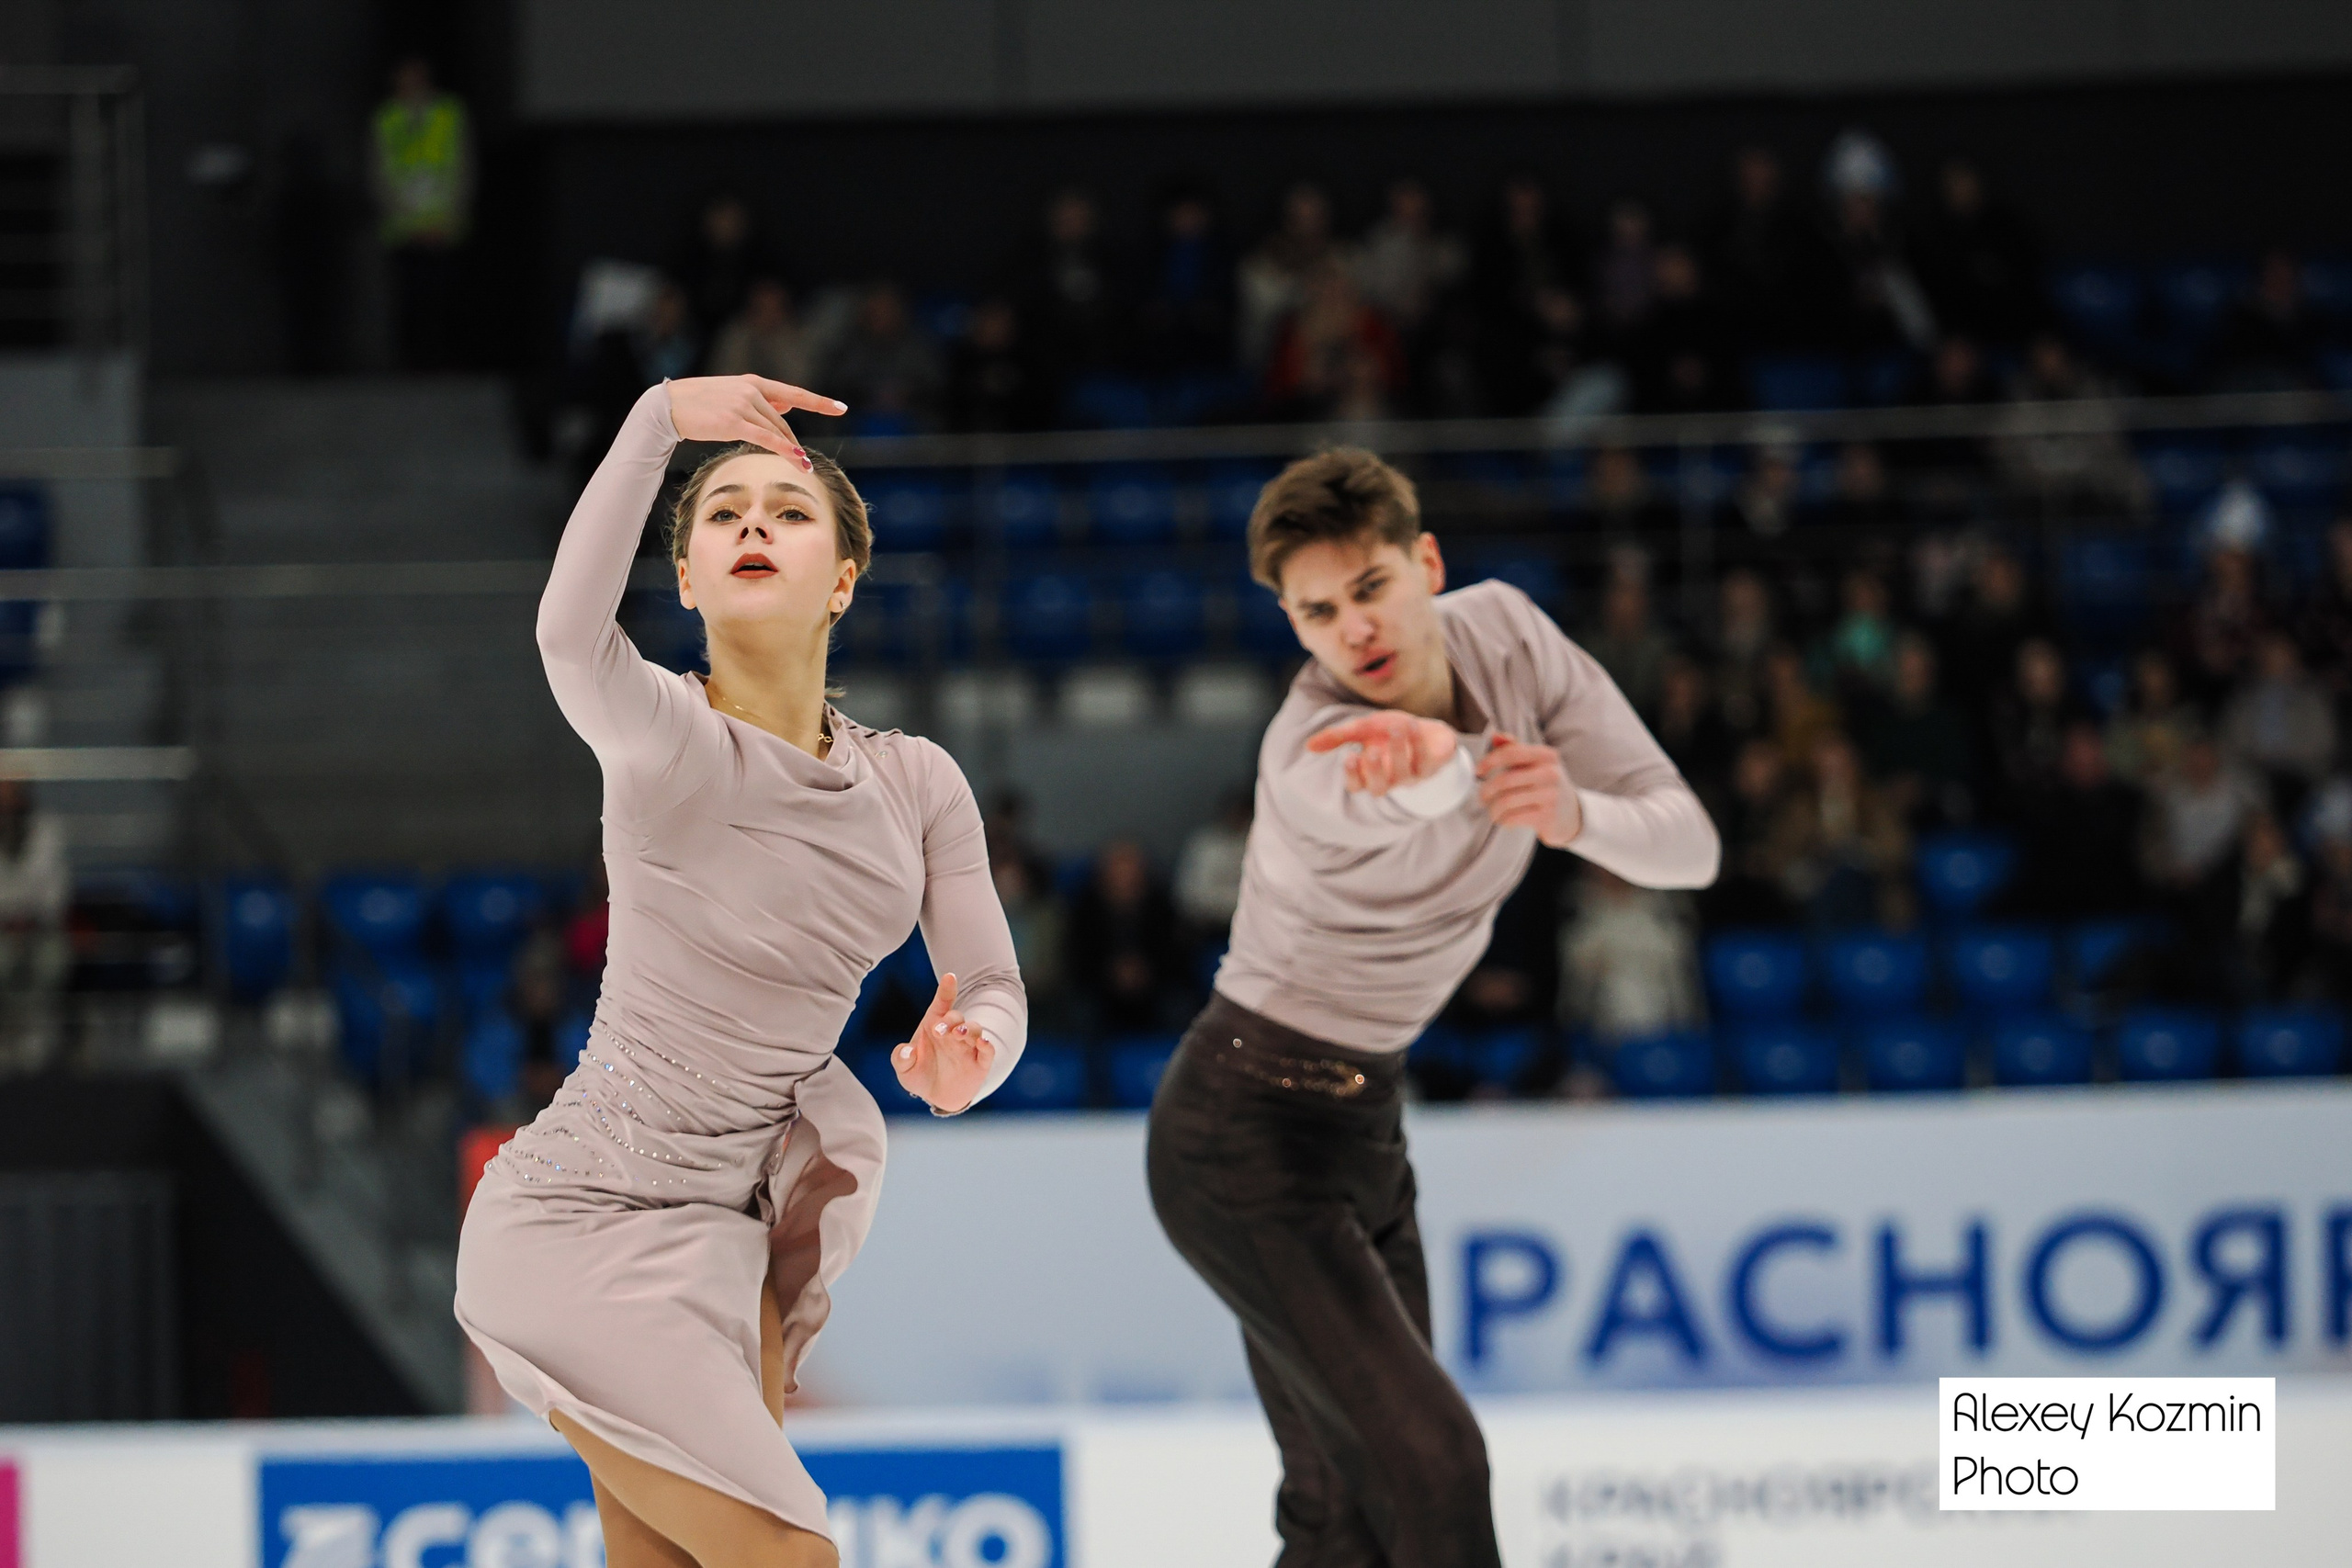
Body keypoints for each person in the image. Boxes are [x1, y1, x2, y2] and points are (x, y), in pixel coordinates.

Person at [455, 374, 1027, 1568]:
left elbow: (992, 986)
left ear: (845, 577)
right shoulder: (662, 734)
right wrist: (657, 417)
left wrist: (972, 1052)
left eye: (789, 508)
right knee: (789, 1555)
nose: (755, 524)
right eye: (724, 513)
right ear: (686, 578)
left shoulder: (918, 783)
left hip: (743, 1233)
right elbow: (567, 632)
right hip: (582, 1217)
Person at [1146, 449, 1716, 1568]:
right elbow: (1394, 791)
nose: (1351, 630)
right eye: (1316, 612)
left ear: (1427, 563)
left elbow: (1685, 843)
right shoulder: (1310, 751)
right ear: (1292, 625)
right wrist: (1455, 769)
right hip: (1239, 1136)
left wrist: (1572, 812)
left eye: (1369, 590)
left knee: (1341, 1517)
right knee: (1433, 1468)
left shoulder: (1507, 630)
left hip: (1365, 1129)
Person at [370, 56, 473, 371]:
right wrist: (407, 219)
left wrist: (447, 218)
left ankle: (445, 364)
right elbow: (379, 174)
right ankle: (411, 367)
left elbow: (463, 168)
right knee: (409, 302)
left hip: (444, 227)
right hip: (404, 230)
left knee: (444, 300)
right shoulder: (387, 118)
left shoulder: (449, 113)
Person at [707, 277, 815, 388]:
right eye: (762, 309)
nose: (768, 316)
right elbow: (724, 378)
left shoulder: (794, 336)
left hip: (784, 401)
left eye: (774, 309)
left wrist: (775, 342)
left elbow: (800, 380)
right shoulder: (736, 335)